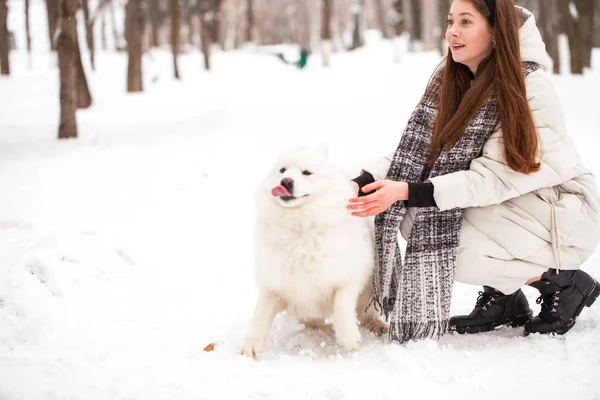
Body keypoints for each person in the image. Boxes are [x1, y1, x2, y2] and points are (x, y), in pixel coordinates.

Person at [348, 0, 600, 342]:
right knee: (419, 216)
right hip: (515, 207)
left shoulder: (529, 87)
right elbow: (419, 154)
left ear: (496, 32)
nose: (453, 31)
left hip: (560, 213)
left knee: (440, 232)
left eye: (466, 22)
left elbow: (495, 179)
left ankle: (563, 281)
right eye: (451, 20)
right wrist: (365, 180)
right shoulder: (457, 80)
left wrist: (408, 191)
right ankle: (505, 299)